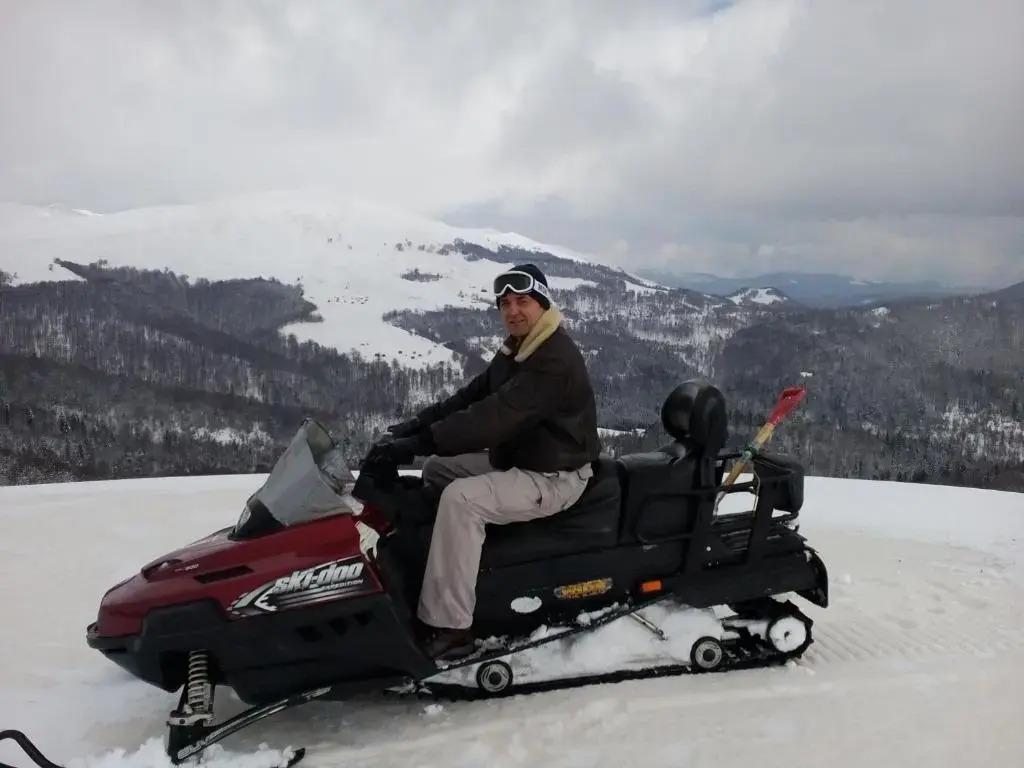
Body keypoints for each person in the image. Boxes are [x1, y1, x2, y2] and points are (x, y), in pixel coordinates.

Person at [372, 263, 601, 659]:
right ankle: (438, 559)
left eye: (523, 301)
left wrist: (418, 443)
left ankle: (451, 626)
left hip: (553, 476)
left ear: (543, 304)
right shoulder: (521, 347)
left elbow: (493, 417)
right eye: (505, 304)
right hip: (522, 460)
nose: (513, 311)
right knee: (436, 470)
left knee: (461, 499)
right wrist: (414, 427)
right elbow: (473, 396)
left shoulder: (553, 359)